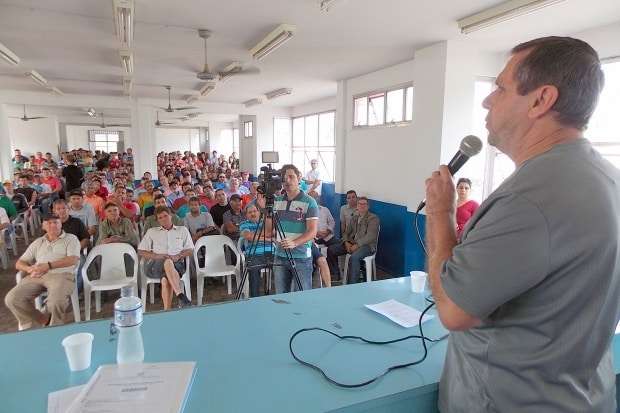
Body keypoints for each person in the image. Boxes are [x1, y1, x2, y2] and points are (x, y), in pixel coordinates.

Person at [424, 37, 619, 412]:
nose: (487, 99)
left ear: (541, 100)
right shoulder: (608, 178)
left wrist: (439, 212)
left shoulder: (530, 198)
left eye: (500, 87)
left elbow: (452, 310)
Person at [4, 214, 80, 329]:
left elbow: (73, 260)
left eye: (56, 222)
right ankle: (43, 320)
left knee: (55, 302)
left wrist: (48, 266)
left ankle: (54, 327)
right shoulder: (38, 242)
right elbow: (19, 263)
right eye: (49, 223)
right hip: (37, 275)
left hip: (62, 275)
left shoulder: (71, 238)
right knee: (12, 299)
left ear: (61, 224)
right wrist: (30, 269)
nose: (53, 225)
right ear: (43, 226)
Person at [269, 164, 318, 293]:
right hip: (280, 255)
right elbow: (270, 229)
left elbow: (312, 231)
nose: (288, 181)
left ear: (299, 178)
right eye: (284, 178)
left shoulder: (309, 201)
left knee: (302, 296)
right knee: (281, 295)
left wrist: (294, 242)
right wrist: (265, 210)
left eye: (291, 177)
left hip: (301, 256)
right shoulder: (277, 201)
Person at [138, 206, 193, 310]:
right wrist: (156, 256)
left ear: (171, 215)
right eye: (160, 217)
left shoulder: (182, 230)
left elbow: (190, 250)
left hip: (178, 263)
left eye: (165, 216)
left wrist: (179, 256)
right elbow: (141, 251)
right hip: (156, 265)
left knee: (165, 280)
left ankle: (167, 310)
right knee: (167, 261)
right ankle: (180, 294)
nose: (163, 219)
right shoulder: (152, 231)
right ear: (157, 220)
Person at [327, 197, 379, 284]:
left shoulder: (373, 218)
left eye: (364, 204)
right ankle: (335, 274)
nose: (362, 206)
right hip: (352, 243)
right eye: (360, 204)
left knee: (354, 257)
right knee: (331, 249)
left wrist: (357, 245)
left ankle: (352, 284)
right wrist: (346, 242)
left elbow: (371, 236)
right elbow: (346, 232)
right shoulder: (354, 218)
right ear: (357, 206)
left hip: (367, 246)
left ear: (368, 206)